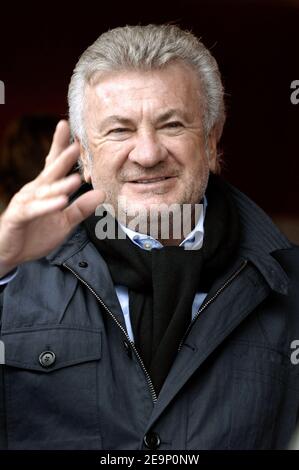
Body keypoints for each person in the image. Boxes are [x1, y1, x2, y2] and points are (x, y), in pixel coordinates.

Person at [0, 24, 298, 451]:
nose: (147, 153)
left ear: (212, 140)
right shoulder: (11, 277)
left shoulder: (288, 284)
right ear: (83, 153)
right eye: (119, 130)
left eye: (172, 124)